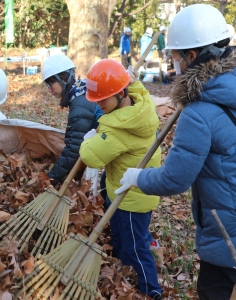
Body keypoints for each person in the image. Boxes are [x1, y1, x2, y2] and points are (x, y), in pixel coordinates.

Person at [116, 4, 236, 300]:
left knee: (219, 290)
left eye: (175, 55)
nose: (173, 63)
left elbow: (175, 179)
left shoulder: (199, 113)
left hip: (229, 227)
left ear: (193, 56)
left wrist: (137, 178)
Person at [79, 59, 163, 299]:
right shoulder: (140, 106)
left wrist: (87, 142)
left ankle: (152, 289)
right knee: (119, 236)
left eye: (102, 100)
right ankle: (122, 274)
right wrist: (133, 81)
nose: (99, 105)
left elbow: (92, 157)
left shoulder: (118, 129)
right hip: (125, 190)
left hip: (130, 199)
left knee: (136, 246)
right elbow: (140, 90)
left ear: (120, 94)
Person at [41, 54, 102, 185]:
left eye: (51, 83)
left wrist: (50, 179)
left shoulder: (80, 104)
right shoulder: (81, 90)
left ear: (64, 79)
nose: (50, 90)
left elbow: (74, 149)